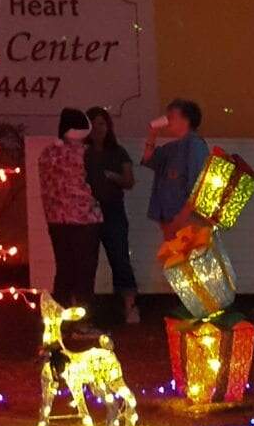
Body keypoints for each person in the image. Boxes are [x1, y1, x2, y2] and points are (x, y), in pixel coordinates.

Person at [38, 108, 103, 317]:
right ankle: (83, 320)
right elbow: (99, 185)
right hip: (85, 220)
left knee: (64, 269)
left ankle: (57, 321)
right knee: (85, 272)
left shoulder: (47, 153)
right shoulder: (87, 153)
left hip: (56, 219)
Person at [86, 106, 140, 325]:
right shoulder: (81, 152)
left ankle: (130, 306)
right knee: (86, 262)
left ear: (108, 126)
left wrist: (113, 176)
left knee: (120, 258)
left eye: (102, 123)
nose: (98, 128)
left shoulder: (118, 152)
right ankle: (83, 310)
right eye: (93, 124)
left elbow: (129, 181)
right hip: (86, 213)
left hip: (113, 211)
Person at [142, 98, 210, 233]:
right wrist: (152, 136)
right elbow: (149, 159)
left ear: (186, 119)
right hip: (169, 217)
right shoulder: (171, 148)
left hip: (185, 220)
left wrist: (181, 219)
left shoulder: (195, 146)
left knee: (187, 253)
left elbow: (198, 186)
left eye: (172, 116)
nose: (168, 120)